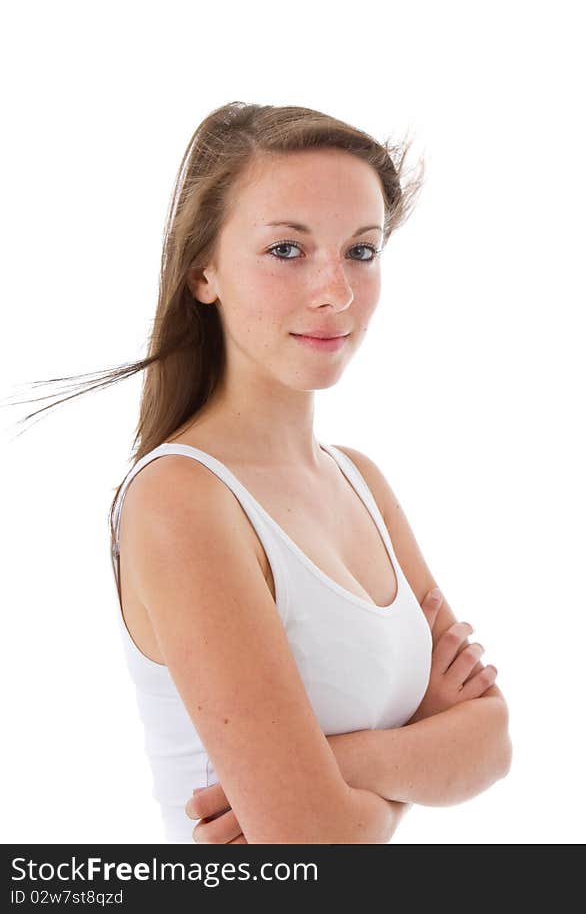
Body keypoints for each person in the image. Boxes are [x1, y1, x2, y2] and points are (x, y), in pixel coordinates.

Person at [105, 102, 512, 843]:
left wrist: (335, 766)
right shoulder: (181, 500)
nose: (337, 291)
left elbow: (491, 743)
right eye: (288, 250)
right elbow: (312, 844)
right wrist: (404, 764)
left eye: (361, 250)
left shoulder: (359, 482)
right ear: (203, 272)